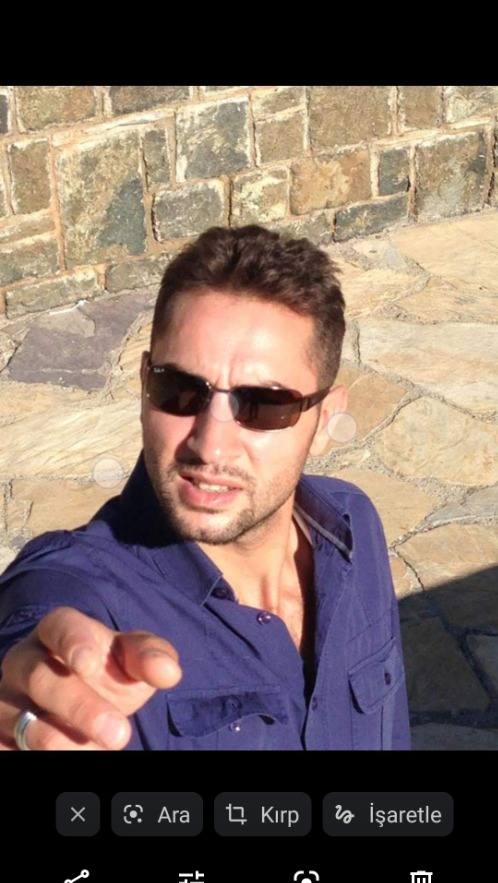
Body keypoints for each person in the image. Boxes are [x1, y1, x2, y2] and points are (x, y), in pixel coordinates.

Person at [0, 224, 410, 751]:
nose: (211, 446)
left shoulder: (353, 529)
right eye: (180, 389)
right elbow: (34, 640)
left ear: (326, 419)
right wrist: (25, 711)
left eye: (264, 404)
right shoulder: (81, 594)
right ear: (145, 383)